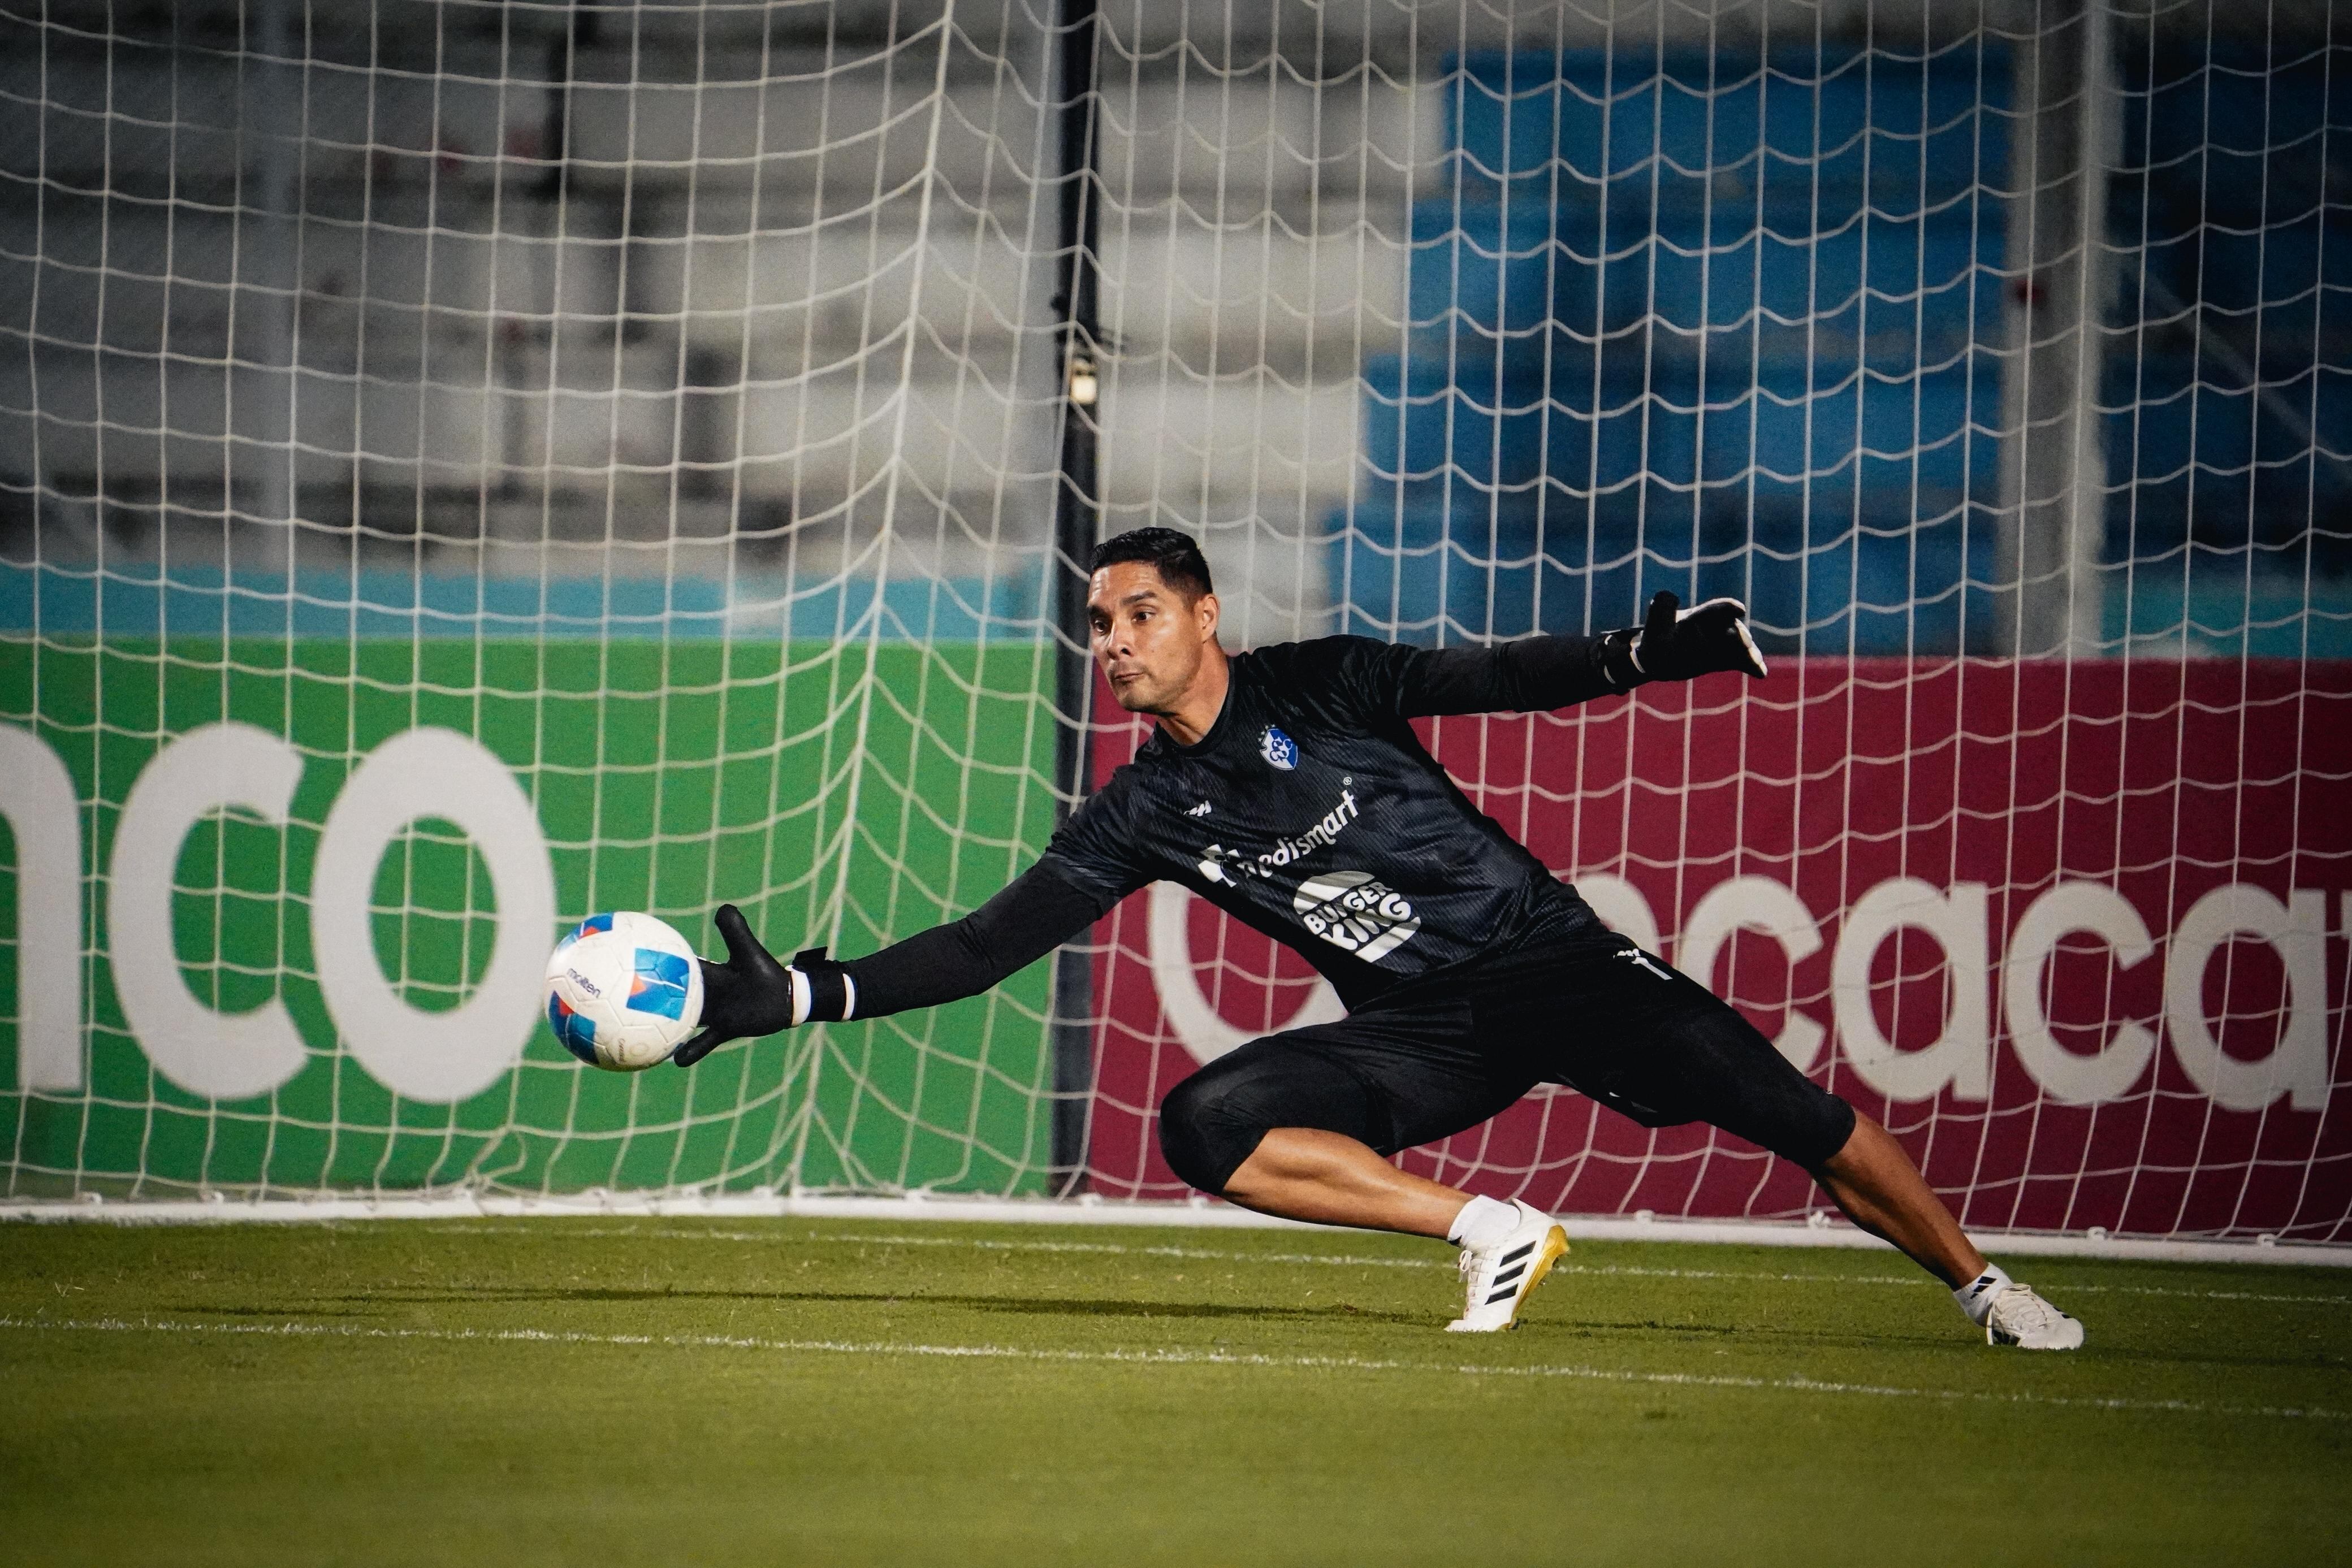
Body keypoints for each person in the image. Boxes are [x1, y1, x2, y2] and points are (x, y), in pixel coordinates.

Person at [675, 527, 2083, 1348]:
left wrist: (1645, 657)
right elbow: (987, 946)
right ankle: (1494, 1229)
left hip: (1554, 962)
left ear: (1205, 615)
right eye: (1098, 623)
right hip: (1425, 1036)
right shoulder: (1138, 810)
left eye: (1140, 614)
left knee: (1802, 1120)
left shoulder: (1329, 681)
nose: (1111, 641)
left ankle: (1986, 1288)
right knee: (1206, 1121)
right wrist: (805, 992)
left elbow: (1495, 676)